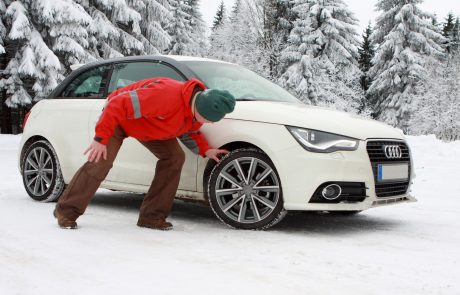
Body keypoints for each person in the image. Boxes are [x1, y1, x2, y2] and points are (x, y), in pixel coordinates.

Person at [53, 77, 236, 230]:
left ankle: (151, 216)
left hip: (149, 127)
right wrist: (100, 139)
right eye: (210, 120)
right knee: (101, 161)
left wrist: (206, 149)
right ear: (201, 109)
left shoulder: (195, 111)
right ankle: (66, 211)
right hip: (118, 119)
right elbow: (117, 104)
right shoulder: (165, 96)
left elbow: (190, 131)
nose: (211, 123)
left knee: (174, 158)